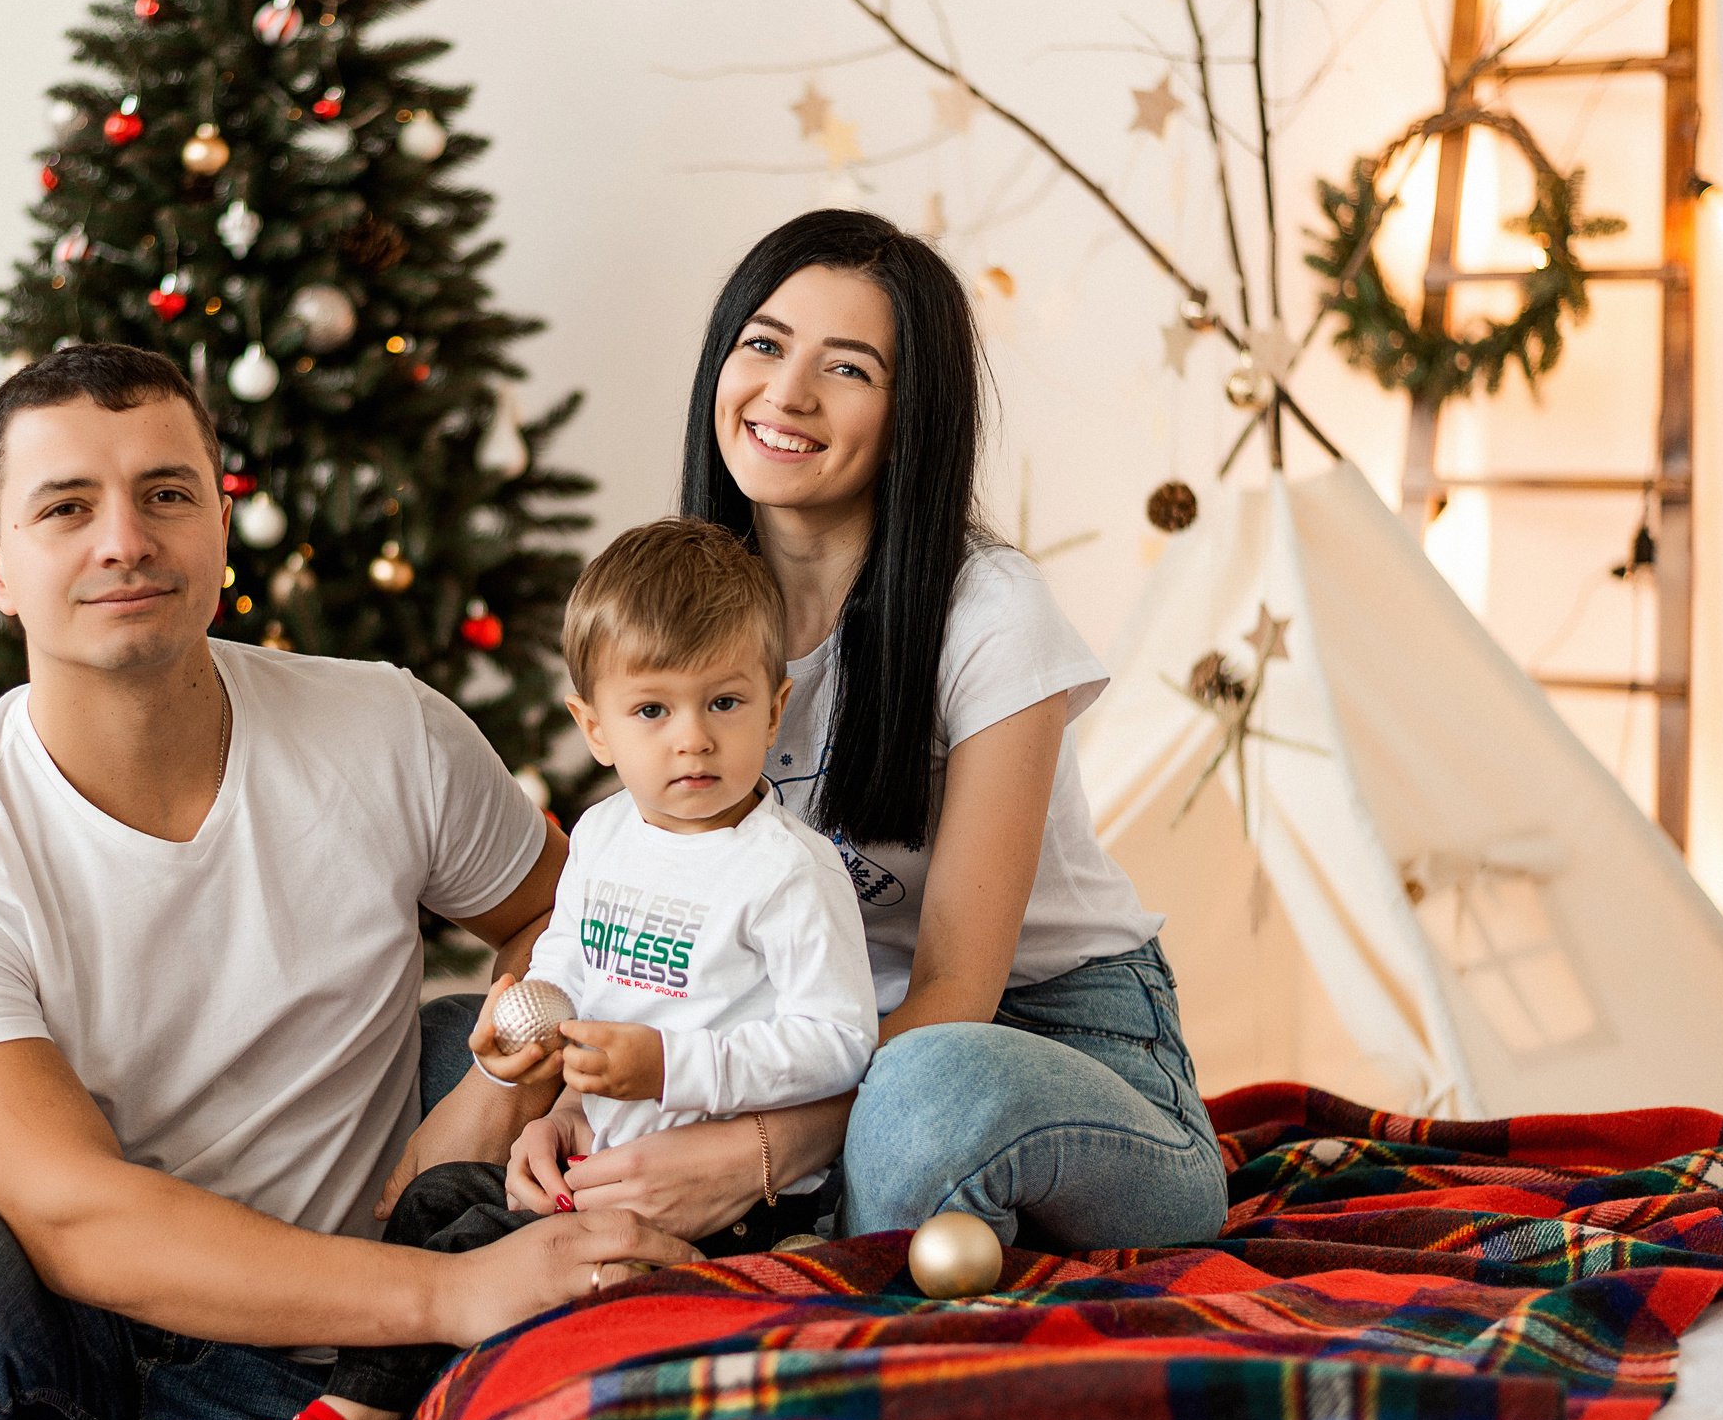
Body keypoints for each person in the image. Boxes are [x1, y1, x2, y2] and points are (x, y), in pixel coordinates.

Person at [0, 344, 693, 1420]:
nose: (126, 538)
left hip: (337, 1355)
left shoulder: (386, 729)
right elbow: (75, 1213)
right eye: (68, 507)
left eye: (167, 492)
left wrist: (495, 1068)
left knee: (446, 1045)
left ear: (222, 522)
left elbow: (567, 915)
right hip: (87, 1356)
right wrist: (454, 1290)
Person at [130, 517, 878, 1420]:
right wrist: (523, 1052)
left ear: (775, 703)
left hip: (725, 1205)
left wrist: (666, 1061)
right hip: (592, 1151)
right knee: (441, 1194)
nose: (692, 737)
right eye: (652, 708)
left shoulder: (784, 870)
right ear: (596, 725)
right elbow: (567, 959)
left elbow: (840, 1039)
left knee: (482, 1241)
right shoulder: (608, 832)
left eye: (725, 702)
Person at [508, 208, 1228, 1256]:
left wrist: (758, 1146)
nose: (786, 392)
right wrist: (577, 1102)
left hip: (1032, 1042)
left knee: (923, 1098)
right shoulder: (693, 608)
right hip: (795, 1045)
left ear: (911, 413)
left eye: (845, 368)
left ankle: (830, 1237)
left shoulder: (987, 613)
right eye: (762, 344)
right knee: (458, 1049)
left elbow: (952, 994)